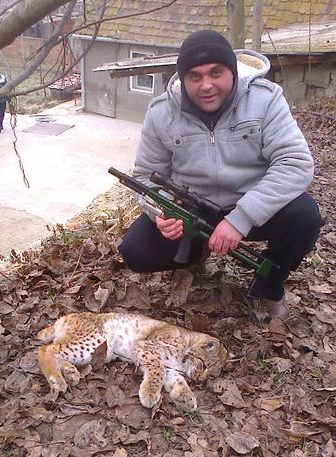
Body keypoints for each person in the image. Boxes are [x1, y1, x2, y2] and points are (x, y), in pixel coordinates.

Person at [118, 30, 323, 321]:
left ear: (233, 71)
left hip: (253, 209)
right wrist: (160, 212)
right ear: (183, 79)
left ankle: (271, 287)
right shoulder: (160, 113)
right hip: (191, 210)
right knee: (135, 250)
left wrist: (240, 219)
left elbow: (296, 163)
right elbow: (144, 176)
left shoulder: (265, 101)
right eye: (195, 76)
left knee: (305, 216)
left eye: (216, 73)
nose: (206, 85)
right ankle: (191, 255)